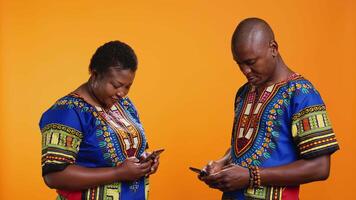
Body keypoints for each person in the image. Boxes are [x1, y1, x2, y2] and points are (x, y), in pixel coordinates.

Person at [199, 18, 339, 200]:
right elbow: (246, 145)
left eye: (251, 62)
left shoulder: (302, 94)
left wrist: (251, 176)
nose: (245, 70)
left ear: (273, 48)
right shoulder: (244, 92)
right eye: (239, 63)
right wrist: (221, 163)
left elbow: (320, 167)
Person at [39, 41, 159, 200]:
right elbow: (54, 176)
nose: (122, 93)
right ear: (95, 74)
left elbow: (130, 150)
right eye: (116, 85)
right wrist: (119, 173)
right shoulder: (67, 112)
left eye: (127, 86)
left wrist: (145, 161)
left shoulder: (124, 105)